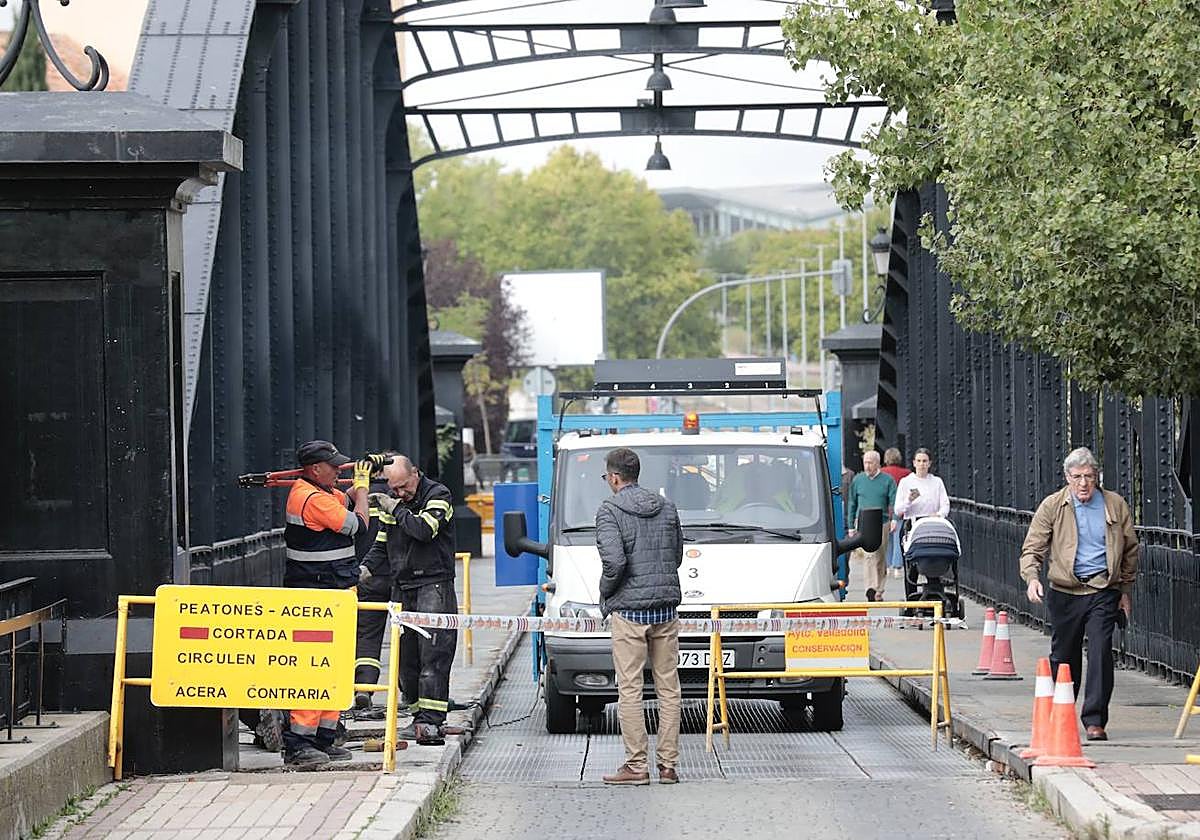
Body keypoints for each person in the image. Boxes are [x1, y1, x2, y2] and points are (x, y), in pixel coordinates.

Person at [1020, 446, 1138, 741]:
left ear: (1097, 477)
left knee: (1100, 650)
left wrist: (1124, 589)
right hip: (1065, 590)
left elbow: (1130, 550)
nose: (1084, 483)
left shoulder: (1114, 505)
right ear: (1067, 478)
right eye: (1077, 477)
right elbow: (1033, 547)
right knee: (1064, 655)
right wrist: (1032, 578)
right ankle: (1062, 712)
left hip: (1102, 588)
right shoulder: (1052, 506)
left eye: (1089, 476)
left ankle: (1095, 720)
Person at [280, 440, 373, 767]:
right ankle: (299, 743)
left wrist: (358, 487)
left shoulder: (320, 492)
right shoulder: (310, 497)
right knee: (312, 667)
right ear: (314, 469)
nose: (338, 471)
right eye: (333, 466)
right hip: (315, 595)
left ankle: (324, 736)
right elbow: (358, 525)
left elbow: (341, 500)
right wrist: (361, 490)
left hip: (332, 592)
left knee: (334, 665)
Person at [595, 447, 684, 786]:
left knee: (630, 689)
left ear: (615, 478)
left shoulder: (609, 511)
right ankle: (668, 766)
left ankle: (636, 766)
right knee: (668, 688)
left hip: (630, 613)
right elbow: (673, 557)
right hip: (664, 609)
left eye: (607, 477)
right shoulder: (666, 507)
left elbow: (614, 563)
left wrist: (605, 591)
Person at [367, 455, 457, 746]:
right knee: (407, 659)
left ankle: (431, 722)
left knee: (434, 654)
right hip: (403, 585)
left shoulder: (439, 495)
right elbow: (382, 543)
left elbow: (424, 530)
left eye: (404, 487)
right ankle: (417, 717)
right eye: (394, 489)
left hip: (433, 583)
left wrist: (396, 507)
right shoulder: (395, 503)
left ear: (416, 473)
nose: (400, 493)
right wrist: (364, 570)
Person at [353, 453, 399, 719]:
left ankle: (366, 687)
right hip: (399, 576)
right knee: (407, 636)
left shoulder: (358, 498)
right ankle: (410, 691)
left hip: (367, 575)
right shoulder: (400, 497)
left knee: (367, 636)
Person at [846, 450, 896, 602]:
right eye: (865, 462)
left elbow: (893, 501)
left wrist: (894, 519)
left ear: (878, 463)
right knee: (869, 556)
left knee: (880, 556)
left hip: (882, 522)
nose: (867, 465)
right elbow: (852, 502)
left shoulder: (887, 480)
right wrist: (851, 526)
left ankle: (879, 589)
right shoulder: (858, 480)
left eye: (870, 462)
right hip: (864, 522)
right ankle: (871, 588)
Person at [880, 448, 912, 578]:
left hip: (885, 510)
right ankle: (897, 567)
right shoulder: (907, 473)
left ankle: (887, 566)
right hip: (900, 510)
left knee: (887, 541)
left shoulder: (882, 473)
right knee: (899, 538)